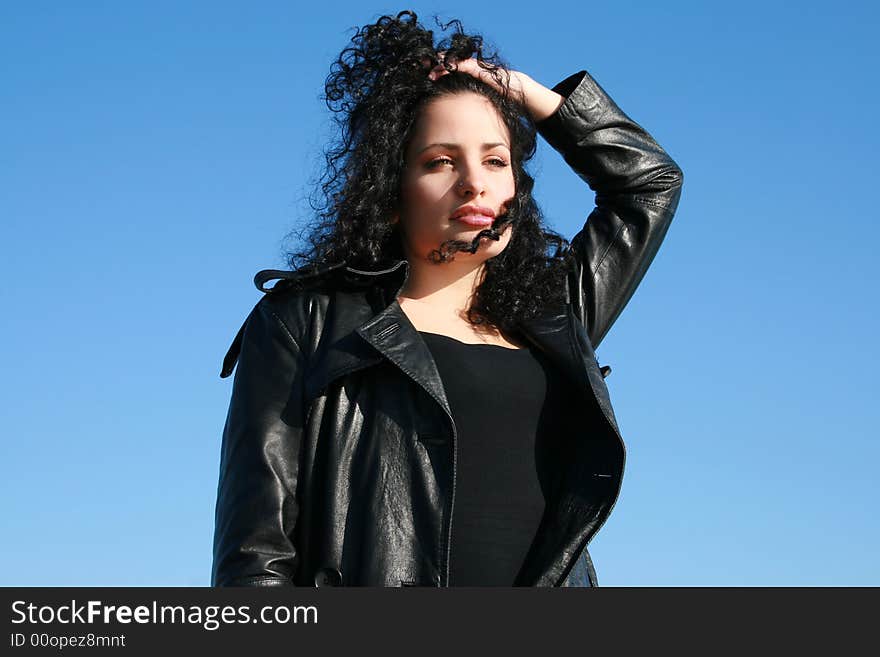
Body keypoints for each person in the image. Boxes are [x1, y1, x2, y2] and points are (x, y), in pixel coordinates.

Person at [211, 10, 683, 587]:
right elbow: (256, 554)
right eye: (440, 161)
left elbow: (649, 184)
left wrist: (525, 93)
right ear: (391, 186)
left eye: (495, 159)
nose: (473, 182)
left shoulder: (554, 317)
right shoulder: (307, 322)